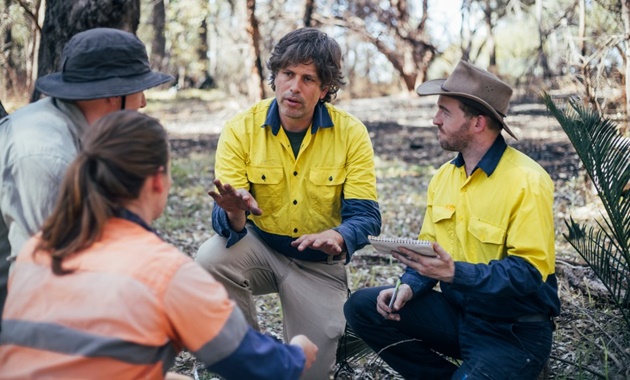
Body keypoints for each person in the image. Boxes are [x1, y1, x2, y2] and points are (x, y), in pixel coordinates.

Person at [0, 110, 318, 379]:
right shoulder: (164, 272)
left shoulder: (38, 247)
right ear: (157, 179)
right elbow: (255, 363)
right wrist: (298, 353)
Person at [344, 60, 561, 379]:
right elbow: (429, 254)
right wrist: (408, 286)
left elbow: (528, 275)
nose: (435, 120)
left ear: (477, 122)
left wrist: (456, 273)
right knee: (363, 307)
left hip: (513, 332)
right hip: (460, 317)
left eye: (445, 111)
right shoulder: (443, 178)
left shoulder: (528, 180)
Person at [195, 27, 381, 379]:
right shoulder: (240, 129)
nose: (295, 87)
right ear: (275, 78)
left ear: (325, 89)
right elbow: (225, 215)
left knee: (308, 372)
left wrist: (340, 236)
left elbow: (366, 216)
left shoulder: (351, 133)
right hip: (260, 247)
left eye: (308, 78)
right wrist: (234, 212)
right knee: (210, 259)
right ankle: (249, 358)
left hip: (318, 263)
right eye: (288, 74)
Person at [0, 27, 174, 322]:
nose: (143, 102)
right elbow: (42, 270)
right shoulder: (45, 156)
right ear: (111, 94)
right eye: (138, 90)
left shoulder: (80, 130)